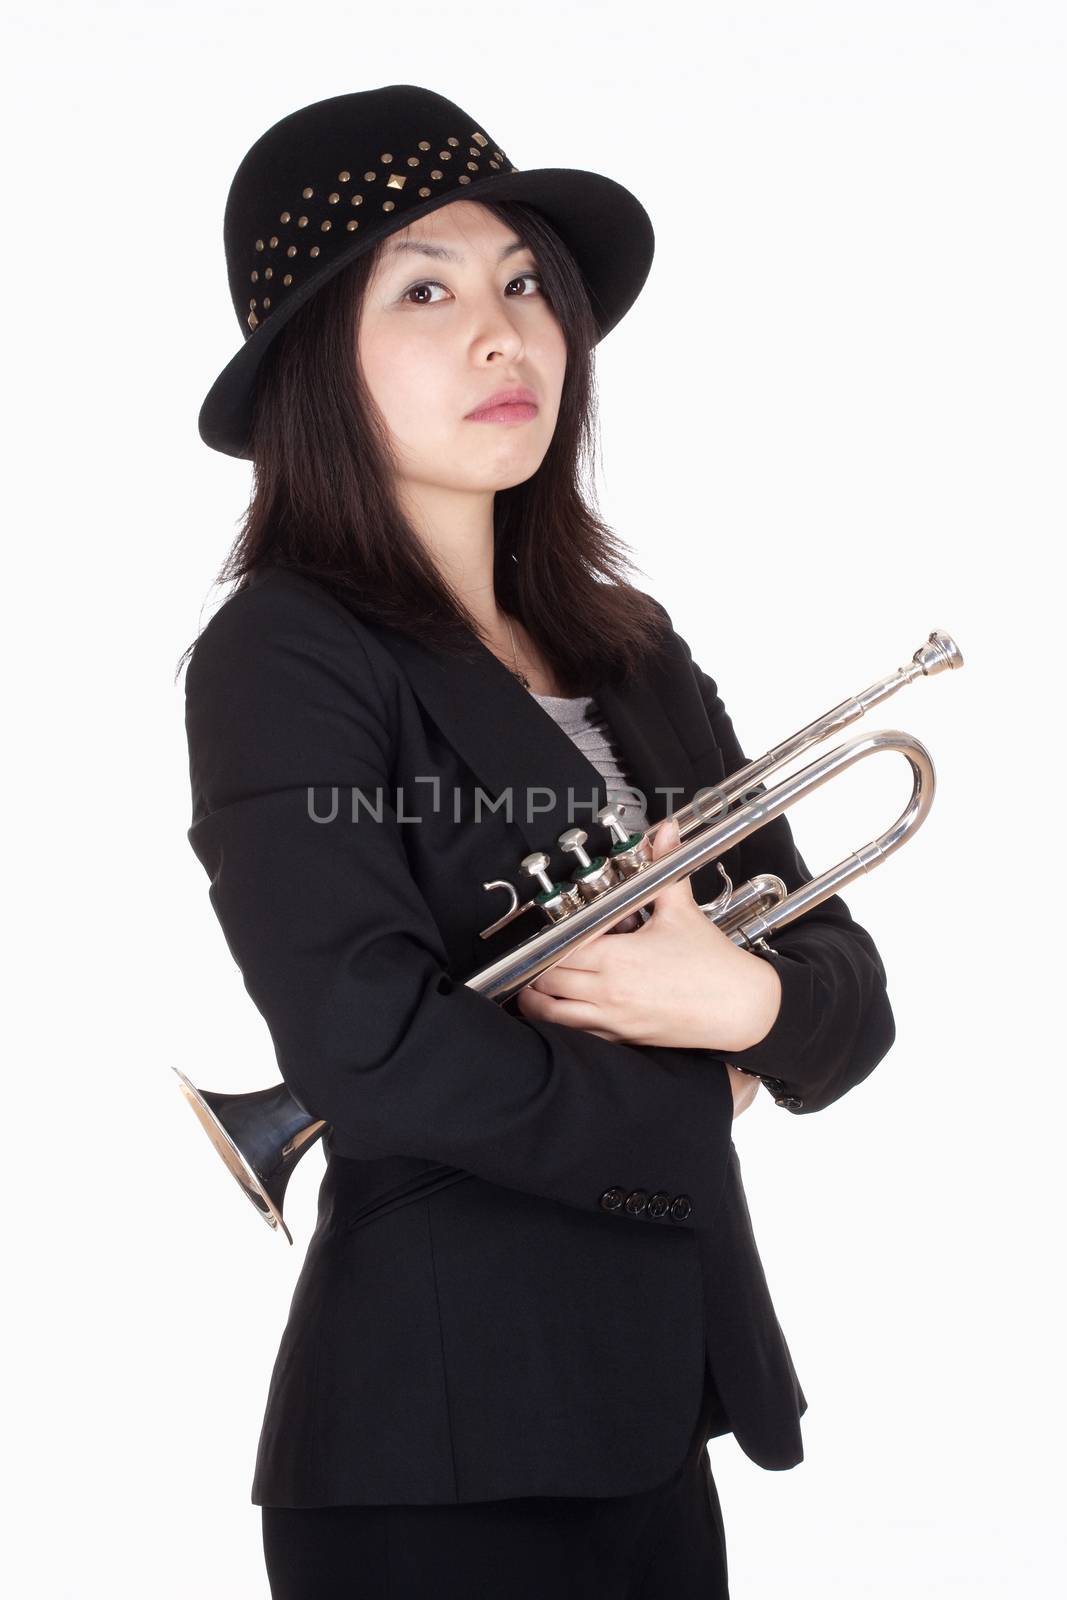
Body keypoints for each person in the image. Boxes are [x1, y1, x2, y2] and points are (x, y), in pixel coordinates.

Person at [181, 84, 897, 1599]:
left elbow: (844, 986)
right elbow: (365, 1046)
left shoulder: (629, 649)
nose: (502, 335)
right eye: (426, 291)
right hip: (430, 1446)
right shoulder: (282, 654)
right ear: (321, 360)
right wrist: (693, 1079)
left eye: (522, 284)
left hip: (653, 1419)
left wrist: (747, 1003)